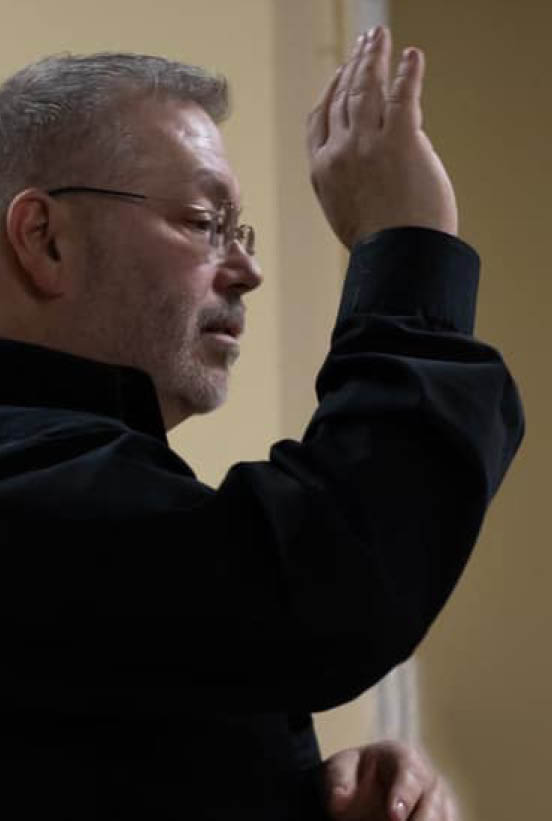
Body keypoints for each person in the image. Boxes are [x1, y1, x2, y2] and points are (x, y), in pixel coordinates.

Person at [0, 24, 522, 820]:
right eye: (205, 221)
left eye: (238, 231)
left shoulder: (93, 493)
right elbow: (320, 593)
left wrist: (297, 793)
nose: (247, 269)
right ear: (44, 237)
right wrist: (409, 248)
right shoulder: (23, 482)